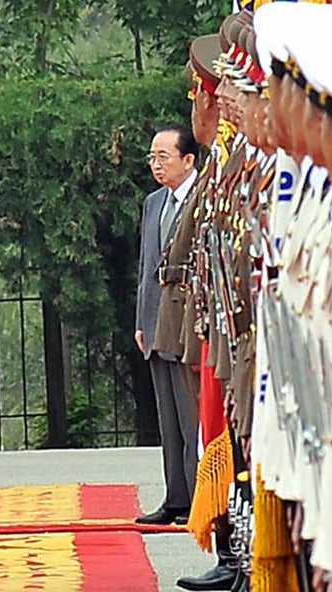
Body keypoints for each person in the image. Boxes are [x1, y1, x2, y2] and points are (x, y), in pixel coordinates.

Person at [134, 124, 201, 526]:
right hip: (158, 319)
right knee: (168, 414)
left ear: (188, 160)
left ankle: (198, 496)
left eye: (164, 157)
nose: (156, 164)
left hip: (189, 318)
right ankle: (175, 495)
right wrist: (143, 320)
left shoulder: (204, 196)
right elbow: (147, 267)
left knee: (191, 411)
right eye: (152, 157)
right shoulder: (154, 202)